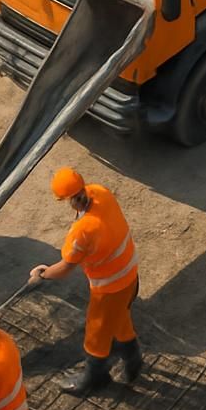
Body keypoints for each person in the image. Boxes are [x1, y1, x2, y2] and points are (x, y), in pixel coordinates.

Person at [30, 168, 142, 395]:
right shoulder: (101, 193)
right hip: (130, 275)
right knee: (120, 318)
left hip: (109, 286)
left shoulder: (83, 231)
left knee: (97, 333)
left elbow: (65, 267)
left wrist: (43, 274)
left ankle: (95, 377)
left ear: (66, 200)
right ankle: (133, 361)